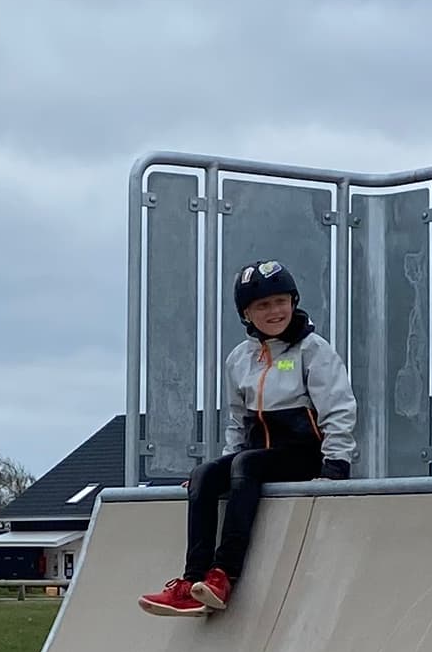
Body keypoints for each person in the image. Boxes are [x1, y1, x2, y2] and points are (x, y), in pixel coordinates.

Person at [141, 260, 356, 616]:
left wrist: (336, 464)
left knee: (246, 464)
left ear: (293, 300)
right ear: (247, 314)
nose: (274, 311)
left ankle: (222, 575)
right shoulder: (239, 359)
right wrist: (224, 467)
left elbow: (338, 407)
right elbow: (237, 421)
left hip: (304, 455)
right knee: (204, 474)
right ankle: (190, 581)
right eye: (262, 306)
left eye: (280, 301)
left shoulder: (312, 350)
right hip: (258, 457)